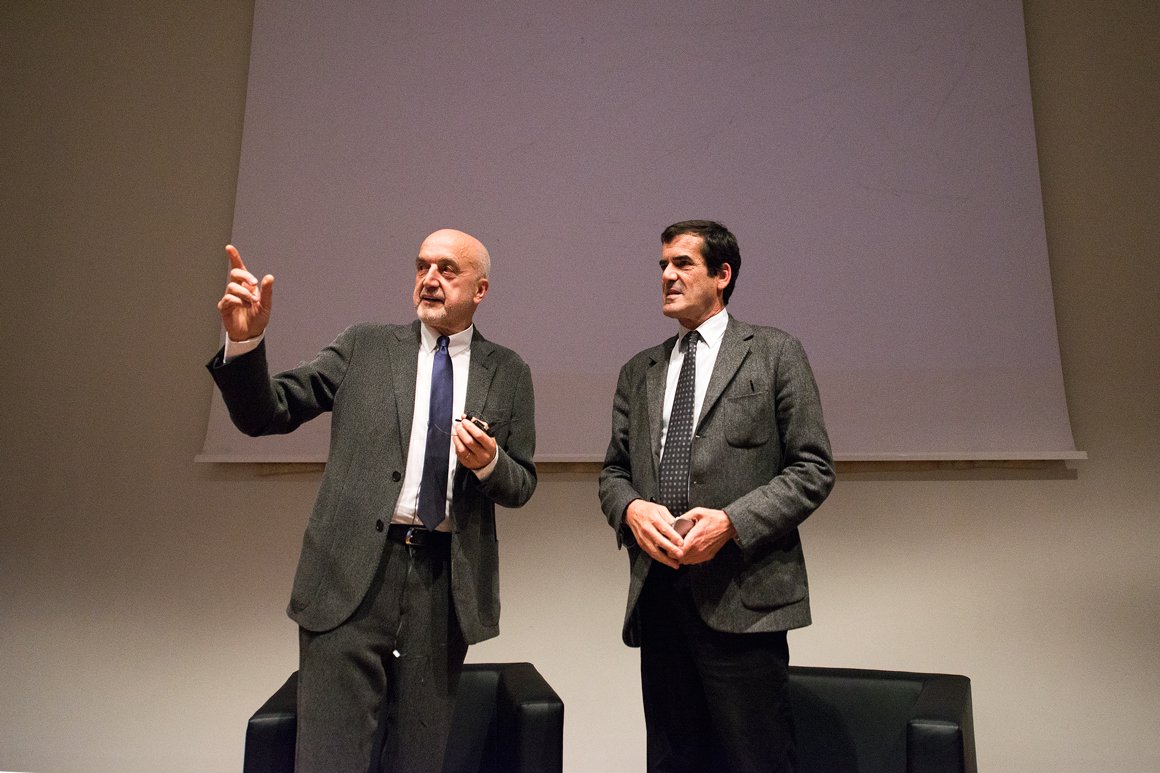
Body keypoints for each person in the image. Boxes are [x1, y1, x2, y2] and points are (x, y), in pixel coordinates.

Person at [208, 229, 536, 772]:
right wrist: (245, 344)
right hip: (349, 576)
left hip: (443, 586)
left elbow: (521, 483)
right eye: (422, 266)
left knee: (418, 761)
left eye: (447, 270)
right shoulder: (366, 346)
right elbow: (267, 413)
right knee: (330, 760)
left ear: (480, 290)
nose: (429, 279)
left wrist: (488, 464)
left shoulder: (508, 371)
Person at [598, 220, 834, 772]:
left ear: (722, 274)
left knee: (756, 759)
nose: (667, 276)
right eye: (662, 265)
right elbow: (613, 472)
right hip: (659, 595)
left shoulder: (774, 353)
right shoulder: (640, 371)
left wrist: (731, 522)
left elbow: (813, 468)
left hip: (742, 595)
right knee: (673, 760)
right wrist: (631, 509)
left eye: (682, 263)